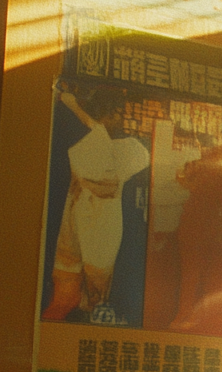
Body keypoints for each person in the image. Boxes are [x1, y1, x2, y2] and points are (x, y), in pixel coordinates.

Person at [41, 84, 150, 321]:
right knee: (73, 296)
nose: (121, 120)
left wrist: (81, 113)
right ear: (108, 113)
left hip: (89, 231)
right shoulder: (92, 141)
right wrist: (86, 118)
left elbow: (111, 180)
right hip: (87, 232)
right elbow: (105, 183)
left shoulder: (122, 146)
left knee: (85, 297)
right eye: (118, 114)